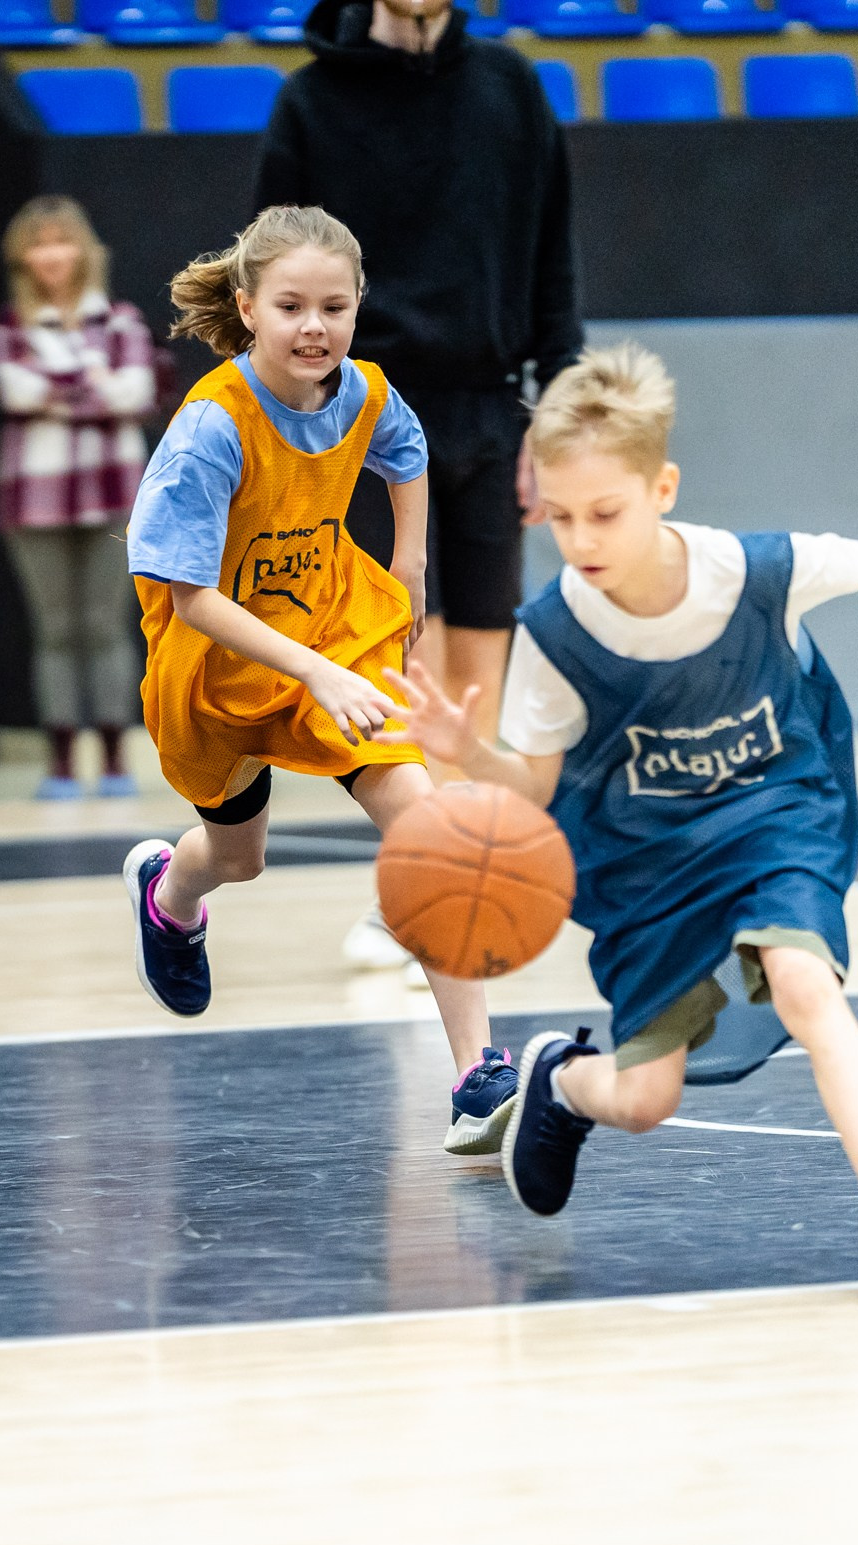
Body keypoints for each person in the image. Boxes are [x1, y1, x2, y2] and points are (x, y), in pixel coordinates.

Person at [390, 343, 858, 1289]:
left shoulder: (750, 572)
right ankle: (564, 1081)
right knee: (644, 1098)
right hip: (649, 865)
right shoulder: (552, 632)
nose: (580, 538)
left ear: (662, 487)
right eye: (558, 515)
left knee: (802, 980)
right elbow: (537, 792)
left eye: (606, 512)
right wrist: (465, 754)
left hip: (772, 816)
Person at [120, 204, 514, 1148]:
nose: (315, 327)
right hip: (218, 669)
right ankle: (170, 892)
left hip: (334, 635)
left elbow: (407, 451)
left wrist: (412, 560)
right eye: (292, 305)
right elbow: (188, 601)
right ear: (249, 308)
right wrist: (313, 674)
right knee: (238, 857)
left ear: (357, 307)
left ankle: (476, 1076)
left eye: (334, 307)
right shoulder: (213, 428)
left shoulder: (363, 394)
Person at [253, 0, 584, 972]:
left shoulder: (509, 87)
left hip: (487, 408)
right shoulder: (310, 101)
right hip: (356, 415)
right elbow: (268, 272)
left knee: (477, 668)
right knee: (394, 657)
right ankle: (412, 882)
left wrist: (555, 408)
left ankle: (449, 887)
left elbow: (553, 253)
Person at [0, 195, 157, 799]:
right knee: (55, 629)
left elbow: (136, 393)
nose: (52, 255)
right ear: (22, 257)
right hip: (34, 496)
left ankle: (115, 759)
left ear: (85, 251)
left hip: (115, 492)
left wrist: (60, 388)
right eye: (39, 243)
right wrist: (95, 383)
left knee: (106, 625)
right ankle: (60, 763)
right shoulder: (9, 328)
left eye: (62, 241)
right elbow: (16, 392)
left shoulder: (122, 320)